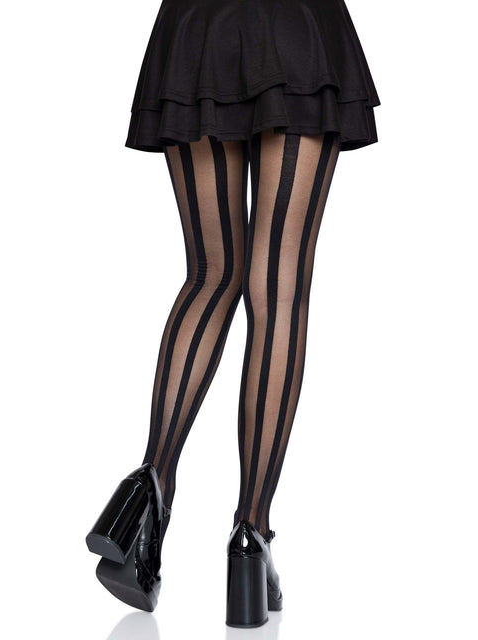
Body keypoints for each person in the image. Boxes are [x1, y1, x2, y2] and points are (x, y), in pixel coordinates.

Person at [86, 0, 381, 628]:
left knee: (210, 274)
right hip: (298, 31)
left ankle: (146, 492)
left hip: (200, 31)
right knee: (279, 288)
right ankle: (252, 531)